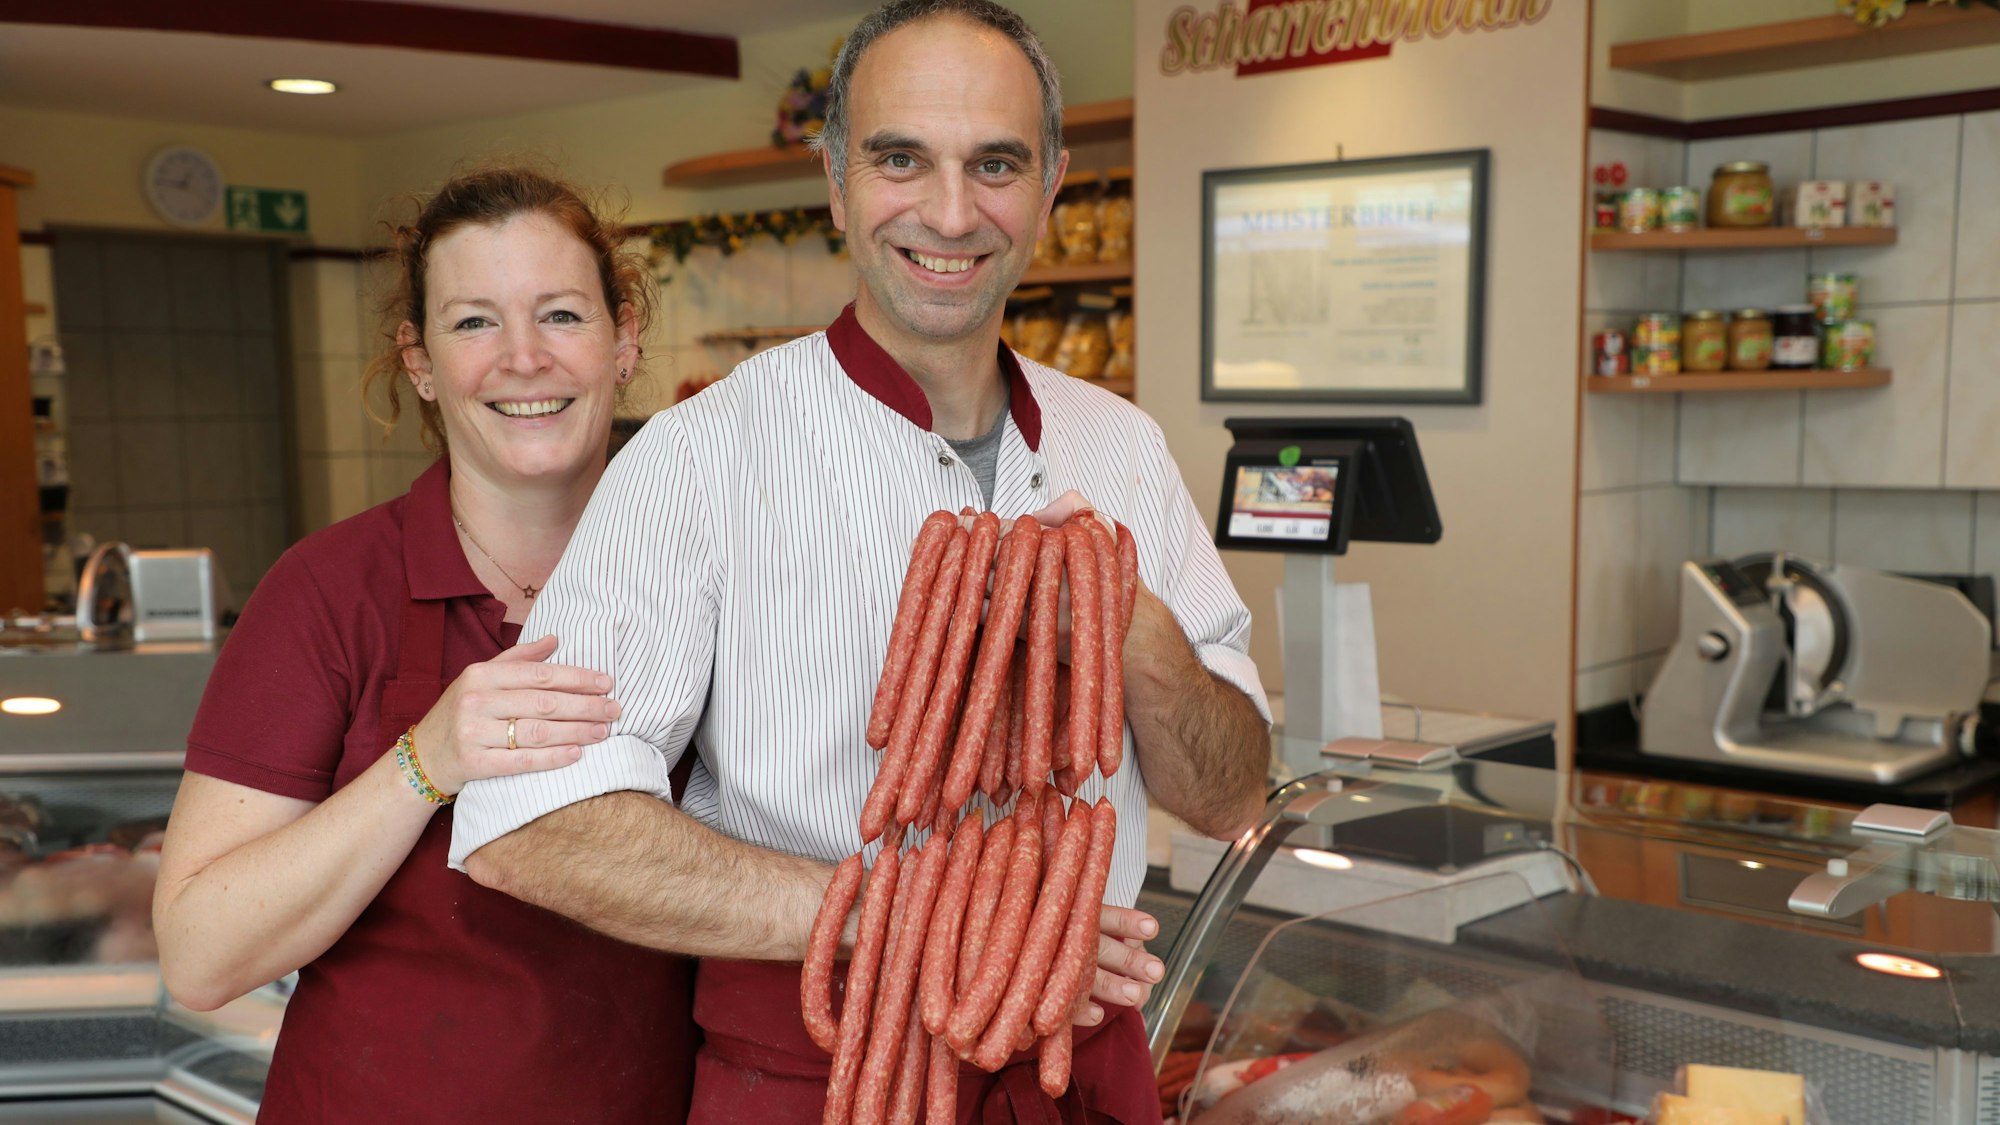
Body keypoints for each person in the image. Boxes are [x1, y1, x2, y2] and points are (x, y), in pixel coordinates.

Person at [451, 2, 1272, 1121]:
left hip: (1081, 1070)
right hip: (812, 1070)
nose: (949, 210)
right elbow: (533, 826)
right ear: (837, 181)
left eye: (995, 163)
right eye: (900, 160)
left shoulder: (1121, 447)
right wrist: (942, 922)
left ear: (1050, 187)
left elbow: (1231, 794)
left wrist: (1141, 639)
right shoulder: (703, 453)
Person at [153, 166, 698, 1123]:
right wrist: (426, 759)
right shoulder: (327, 591)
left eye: (563, 315)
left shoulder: (711, 572)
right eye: (475, 321)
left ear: (625, 341)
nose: (523, 358)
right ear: (420, 363)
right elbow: (202, 952)